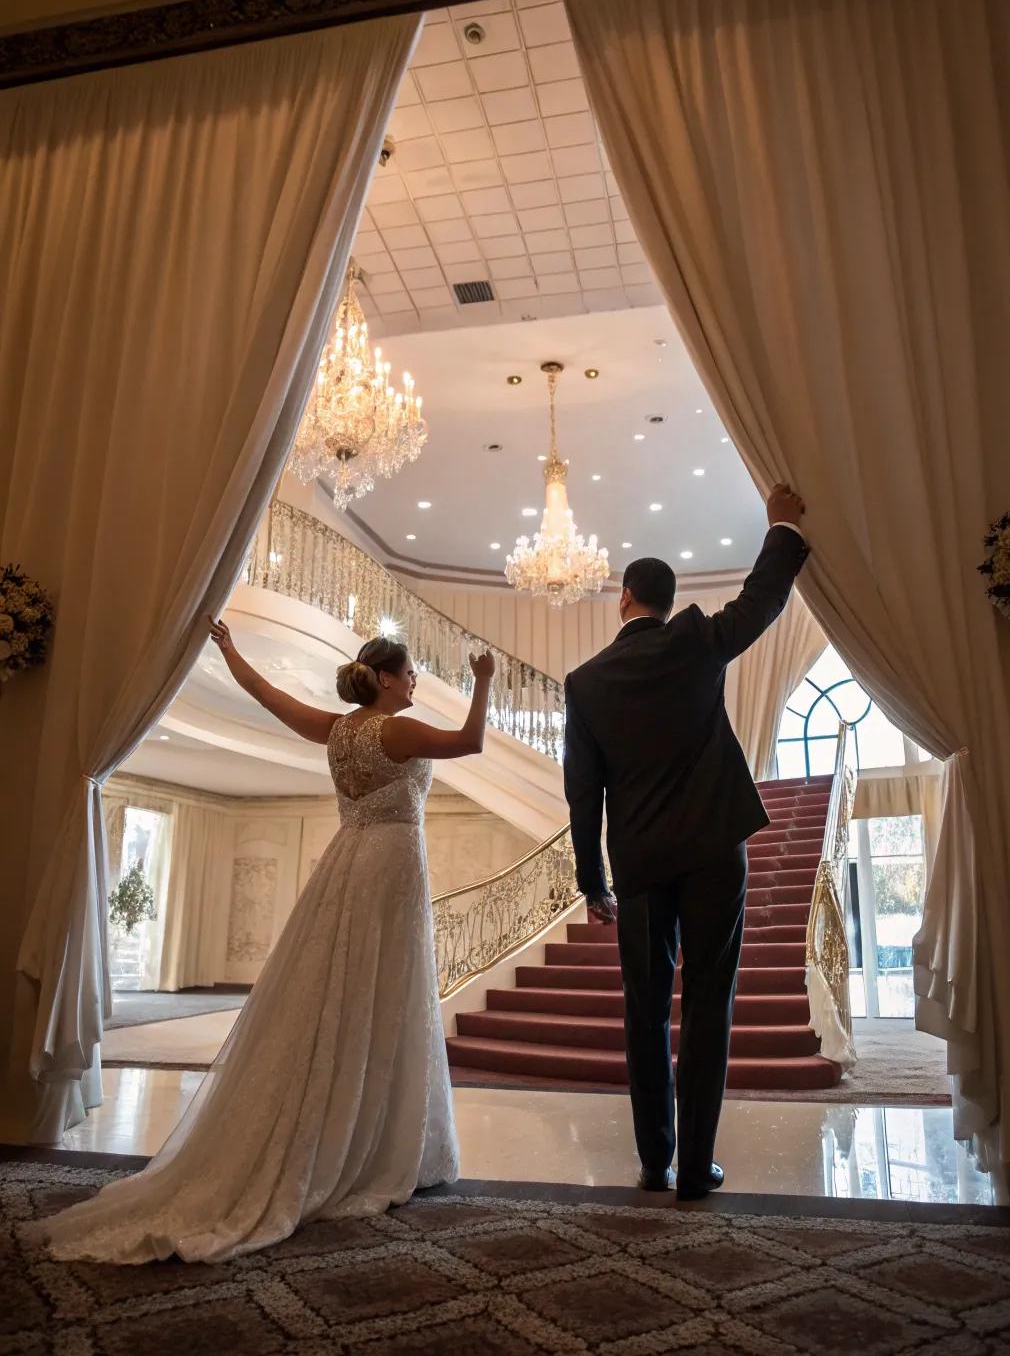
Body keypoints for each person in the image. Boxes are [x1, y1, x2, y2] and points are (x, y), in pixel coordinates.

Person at [29, 627, 495, 1263]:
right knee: (387, 992)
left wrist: (228, 651)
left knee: (335, 988)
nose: (415, 682)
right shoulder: (398, 732)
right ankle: (375, 1144)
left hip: (347, 862)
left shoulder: (335, 729)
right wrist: (485, 678)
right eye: (411, 673)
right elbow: (470, 741)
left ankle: (339, 1125)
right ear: (386, 679)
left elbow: (267, 696)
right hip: (391, 866)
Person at [562, 483, 809, 1201]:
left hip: (639, 865)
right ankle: (696, 1168)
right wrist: (783, 527)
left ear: (624, 598)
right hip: (711, 847)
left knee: (644, 1010)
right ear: (666, 601)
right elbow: (761, 602)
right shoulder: (697, 639)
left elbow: (585, 793)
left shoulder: (586, 682)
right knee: (709, 999)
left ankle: (653, 1160)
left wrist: (592, 882)